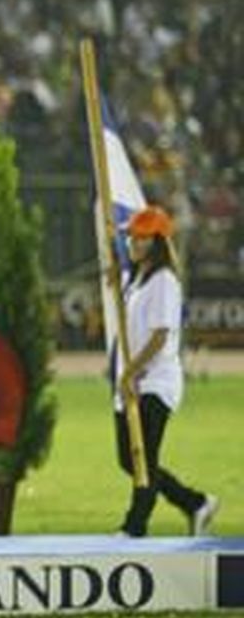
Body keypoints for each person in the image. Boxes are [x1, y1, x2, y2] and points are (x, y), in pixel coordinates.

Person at [113, 206, 220, 537]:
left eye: (140, 237)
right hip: (133, 382)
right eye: (131, 236)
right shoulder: (138, 280)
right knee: (129, 459)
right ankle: (195, 503)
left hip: (155, 383)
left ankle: (135, 526)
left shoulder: (164, 282)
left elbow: (159, 336)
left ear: (157, 242)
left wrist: (130, 371)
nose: (132, 242)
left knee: (143, 456)